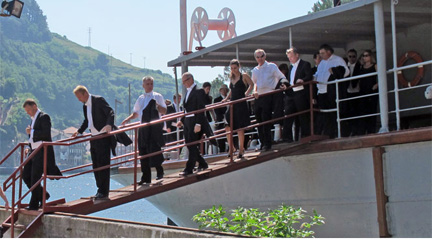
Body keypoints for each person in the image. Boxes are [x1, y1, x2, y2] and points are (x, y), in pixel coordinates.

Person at [122, 76, 167, 184]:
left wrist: (157, 105)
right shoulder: (141, 98)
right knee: (143, 151)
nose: (150, 86)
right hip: (143, 127)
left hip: (155, 127)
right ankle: (145, 177)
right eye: (147, 84)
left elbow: (164, 111)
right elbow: (136, 113)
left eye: (151, 83)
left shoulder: (158, 96)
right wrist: (127, 119)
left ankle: (159, 172)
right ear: (143, 85)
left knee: (155, 150)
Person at [71, 86, 114, 200]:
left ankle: (104, 192)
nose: (79, 99)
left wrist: (109, 124)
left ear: (85, 93)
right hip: (93, 137)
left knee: (103, 165)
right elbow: (87, 120)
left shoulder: (98, 100)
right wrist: (79, 131)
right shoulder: (85, 106)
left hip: (102, 136)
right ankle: (99, 189)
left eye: (79, 97)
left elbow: (110, 111)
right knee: (96, 165)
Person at [22, 99, 62, 210]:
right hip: (33, 151)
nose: (28, 112)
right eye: (27, 111)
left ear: (34, 106)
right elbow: (32, 138)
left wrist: (32, 132)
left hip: (41, 151)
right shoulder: (33, 119)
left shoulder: (44, 117)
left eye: (29, 110)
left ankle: (34, 204)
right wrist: (28, 147)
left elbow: (45, 133)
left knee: (35, 177)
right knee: (25, 175)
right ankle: (42, 194)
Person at [176, 72, 214, 176]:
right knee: (189, 144)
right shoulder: (187, 92)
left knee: (192, 144)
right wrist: (182, 120)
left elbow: (201, 108)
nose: (184, 84)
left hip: (194, 121)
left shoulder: (199, 91)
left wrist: (198, 123)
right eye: (183, 82)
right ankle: (202, 163)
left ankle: (189, 168)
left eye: (185, 81)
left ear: (191, 79)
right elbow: (186, 109)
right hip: (187, 121)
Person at [251, 49, 288, 151]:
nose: (260, 59)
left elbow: (281, 77)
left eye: (261, 56)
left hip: (268, 95)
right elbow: (255, 83)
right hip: (258, 97)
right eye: (257, 57)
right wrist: (254, 91)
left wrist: (283, 84)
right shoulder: (255, 70)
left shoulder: (271, 66)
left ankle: (268, 143)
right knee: (259, 120)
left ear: (265, 56)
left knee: (265, 119)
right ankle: (262, 142)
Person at [314, 44, 349, 138]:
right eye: (320, 53)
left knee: (333, 113)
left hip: (331, 92)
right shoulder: (321, 63)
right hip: (321, 92)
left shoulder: (338, 60)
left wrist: (334, 71)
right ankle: (326, 133)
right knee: (324, 114)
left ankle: (333, 134)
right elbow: (317, 75)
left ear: (329, 52)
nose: (321, 55)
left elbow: (346, 72)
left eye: (323, 53)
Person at [223, 59, 254, 158]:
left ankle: (241, 149)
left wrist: (246, 94)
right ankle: (231, 147)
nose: (233, 70)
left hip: (241, 103)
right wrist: (226, 99)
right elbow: (231, 90)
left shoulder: (244, 76)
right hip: (232, 104)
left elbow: (251, 84)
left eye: (235, 68)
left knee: (240, 128)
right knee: (227, 126)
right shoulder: (231, 77)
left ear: (239, 66)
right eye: (231, 68)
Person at [281, 47, 313, 142]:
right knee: (288, 115)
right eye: (288, 57)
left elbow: (309, 76)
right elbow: (289, 80)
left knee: (303, 116)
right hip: (291, 94)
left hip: (301, 93)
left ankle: (305, 136)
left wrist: (302, 80)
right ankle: (287, 137)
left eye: (291, 57)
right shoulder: (290, 67)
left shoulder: (305, 64)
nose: (290, 59)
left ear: (297, 55)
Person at [357, 50, 378, 135]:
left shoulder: (375, 66)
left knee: (372, 110)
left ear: (371, 56)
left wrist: (377, 85)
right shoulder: (361, 67)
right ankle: (363, 130)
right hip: (363, 90)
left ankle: (371, 130)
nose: (364, 57)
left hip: (372, 89)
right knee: (363, 110)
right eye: (363, 55)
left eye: (366, 55)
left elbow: (381, 75)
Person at [342, 49, 362, 137]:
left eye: (353, 56)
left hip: (356, 91)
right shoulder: (344, 66)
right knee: (348, 112)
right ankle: (349, 131)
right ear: (347, 57)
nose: (352, 58)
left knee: (356, 112)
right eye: (350, 56)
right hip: (347, 92)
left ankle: (356, 131)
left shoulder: (359, 66)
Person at [213, 84, 229, 153]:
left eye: (226, 90)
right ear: (220, 91)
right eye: (223, 90)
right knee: (221, 136)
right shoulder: (217, 100)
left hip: (229, 119)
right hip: (221, 121)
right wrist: (223, 118)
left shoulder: (229, 99)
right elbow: (217, 111)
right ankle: (222, 151)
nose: (224, 91)